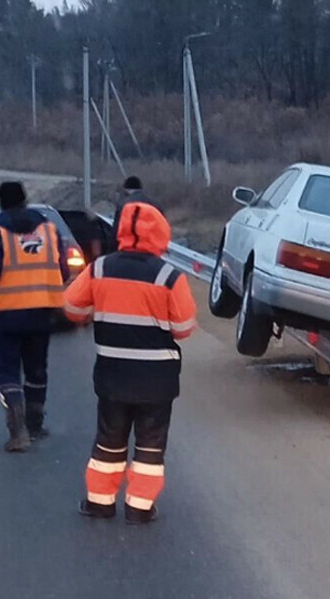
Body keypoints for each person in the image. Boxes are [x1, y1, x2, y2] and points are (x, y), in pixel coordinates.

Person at [64, 202, 196, 524]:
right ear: (162, 234)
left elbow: (72, 308)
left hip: (112, 375)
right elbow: (184, 328)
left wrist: (97, 312)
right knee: (150, 446)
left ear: (121, 232)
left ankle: (100, 502)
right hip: (157, 380)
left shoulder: (100, 268)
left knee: (109, 439)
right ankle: (139, 508)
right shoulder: (169, 276)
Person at [0, 181, 69, 452]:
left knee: (7, 371)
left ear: (1, 202)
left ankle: (18, 432)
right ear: (25, 200)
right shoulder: (49, 229)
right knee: (36, 368)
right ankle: (36, 425)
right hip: (42, 311)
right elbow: (62, 270)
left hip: (6, 311)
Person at [111, 176, 162, 242]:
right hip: (152, 246)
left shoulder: (124, 205)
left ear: (126, 189)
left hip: (131, 247)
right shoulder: (155, 204)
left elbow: (117, 230)